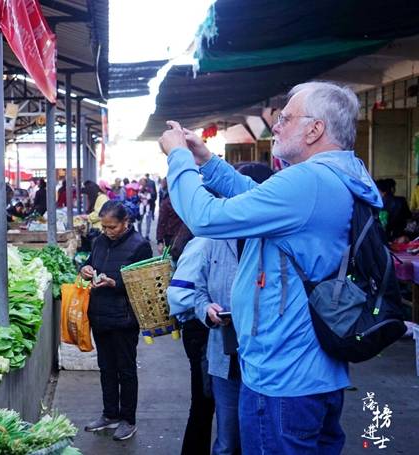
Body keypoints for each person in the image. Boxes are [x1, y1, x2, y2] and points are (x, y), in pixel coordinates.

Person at [159, 81, 381, 454]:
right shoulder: (342, 173)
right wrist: (207, 161)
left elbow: (205, 218)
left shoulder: (308, 181)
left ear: (315, 129)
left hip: (283, 377)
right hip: (315, 369)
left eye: (286, 117)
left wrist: (178, 158)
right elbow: (256, 198)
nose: (276, 126)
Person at [169, 163, 274, 455]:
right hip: (224, 353)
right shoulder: (215, 238)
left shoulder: (276, 239)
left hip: (268, 357)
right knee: (226, 438)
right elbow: (194, 291)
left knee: (260, 437)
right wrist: (206, 310)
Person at [80, 200, 153, 441]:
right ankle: (109, 414)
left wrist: (116, 283)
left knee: (126, 370)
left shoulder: (140, 246)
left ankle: (128, 419)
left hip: (124, 318)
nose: (107, 232)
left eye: (112, 227)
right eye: (104, 227)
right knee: (106, 368)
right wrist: (86, 269)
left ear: (125, 223)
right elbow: (90, 261)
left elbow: (145, 284)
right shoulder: (99, 241)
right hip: (99, 315)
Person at [156, 177, 184, 254]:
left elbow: (162, 221)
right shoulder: (185, 199)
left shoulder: (167, 201)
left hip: (173, 235)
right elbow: (162, 221)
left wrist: (160, 240)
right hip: (178, 235)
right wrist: (160, 240)